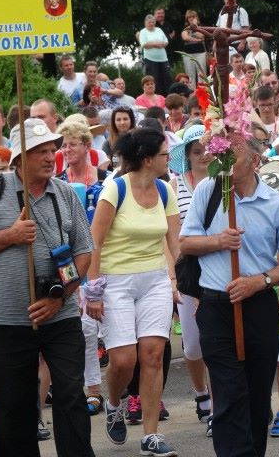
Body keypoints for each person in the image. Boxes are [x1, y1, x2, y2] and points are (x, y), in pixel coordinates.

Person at [0, 118, 95, 457]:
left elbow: (84, 252)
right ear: (20, 159)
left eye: (53, 150)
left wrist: (59, 296)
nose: (51, 158)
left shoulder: (64, 193)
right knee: (12, 406)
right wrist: (11, 235)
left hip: (60, 315)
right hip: (7, 318)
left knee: (70, 395)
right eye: (40, 152)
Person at [180, 135, 279, 457]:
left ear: (254, 161)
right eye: (219, 155)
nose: (221, 163)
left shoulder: (277, 205)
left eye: (231, 155)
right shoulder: (207, 193)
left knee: (255, 393)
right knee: (229, 391)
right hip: (215, 305)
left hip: (258, 304)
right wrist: (218, 241)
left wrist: (260, 281)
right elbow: (186, 244)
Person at [85, 126, 180, 456]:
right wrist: (93, 291)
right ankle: (114, 403)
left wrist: (172, 280)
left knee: (153, 355)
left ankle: (151, 435)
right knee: (123, 360)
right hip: (115, 282)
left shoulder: (166, 190)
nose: (170, 159)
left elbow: (173, 243)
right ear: (148, 159)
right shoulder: (115, 189)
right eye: (166, 154)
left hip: (154, 279)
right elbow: (93, 241)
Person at [168, 124, 215, 432]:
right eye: (195, 151)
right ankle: (200, 393)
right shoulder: (173, 187)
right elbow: (170, 236)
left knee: (216, 339)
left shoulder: (222, 183)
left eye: (205, 150)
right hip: (187, 271)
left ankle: (216, 404)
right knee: (193, 346)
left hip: (217, 265)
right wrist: (173, 277)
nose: (201, 156)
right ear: (186, 155)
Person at [104, 106, 136, 170]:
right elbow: (108, 166)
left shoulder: (140, 138)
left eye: (125, 119)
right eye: (118, 120)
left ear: (131, 120)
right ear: (114, 122)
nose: (122, 122)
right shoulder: (108, 143)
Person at [181, 10, 207, 86]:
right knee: (190, 75)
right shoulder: (185, 27)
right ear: (187, 18)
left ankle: (203, 92)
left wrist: (195, 27)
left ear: (196, 17)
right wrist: (197, 40)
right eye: (189, 17)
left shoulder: (200, 26)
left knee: (202, 74)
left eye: (193, 16)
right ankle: (191, 93)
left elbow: (201, 36)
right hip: (188, 53)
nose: (191, 18)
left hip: (200, 52)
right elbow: (185, 37)